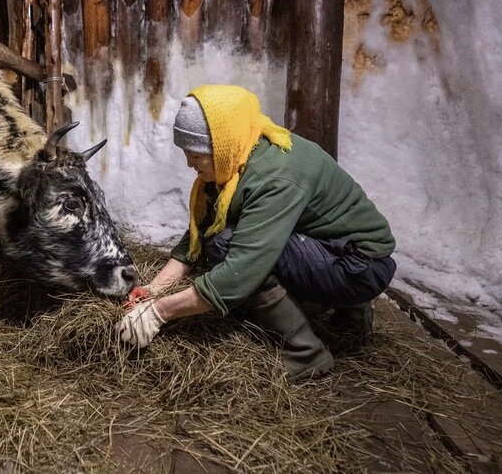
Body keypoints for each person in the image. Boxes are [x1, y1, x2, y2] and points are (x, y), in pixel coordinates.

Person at [117, 85, 396, 380]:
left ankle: (307, 354)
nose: (189, 164)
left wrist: (159, 312)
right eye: (187, 154)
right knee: (224, 237)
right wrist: (154, 290)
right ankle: (350, 315)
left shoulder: (272, 177)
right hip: (334, 246)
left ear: (220, 144)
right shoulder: (240, 151)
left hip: (359, 266)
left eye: (196, 155)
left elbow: (241, 271)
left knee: (226, 246)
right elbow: (200, 231)